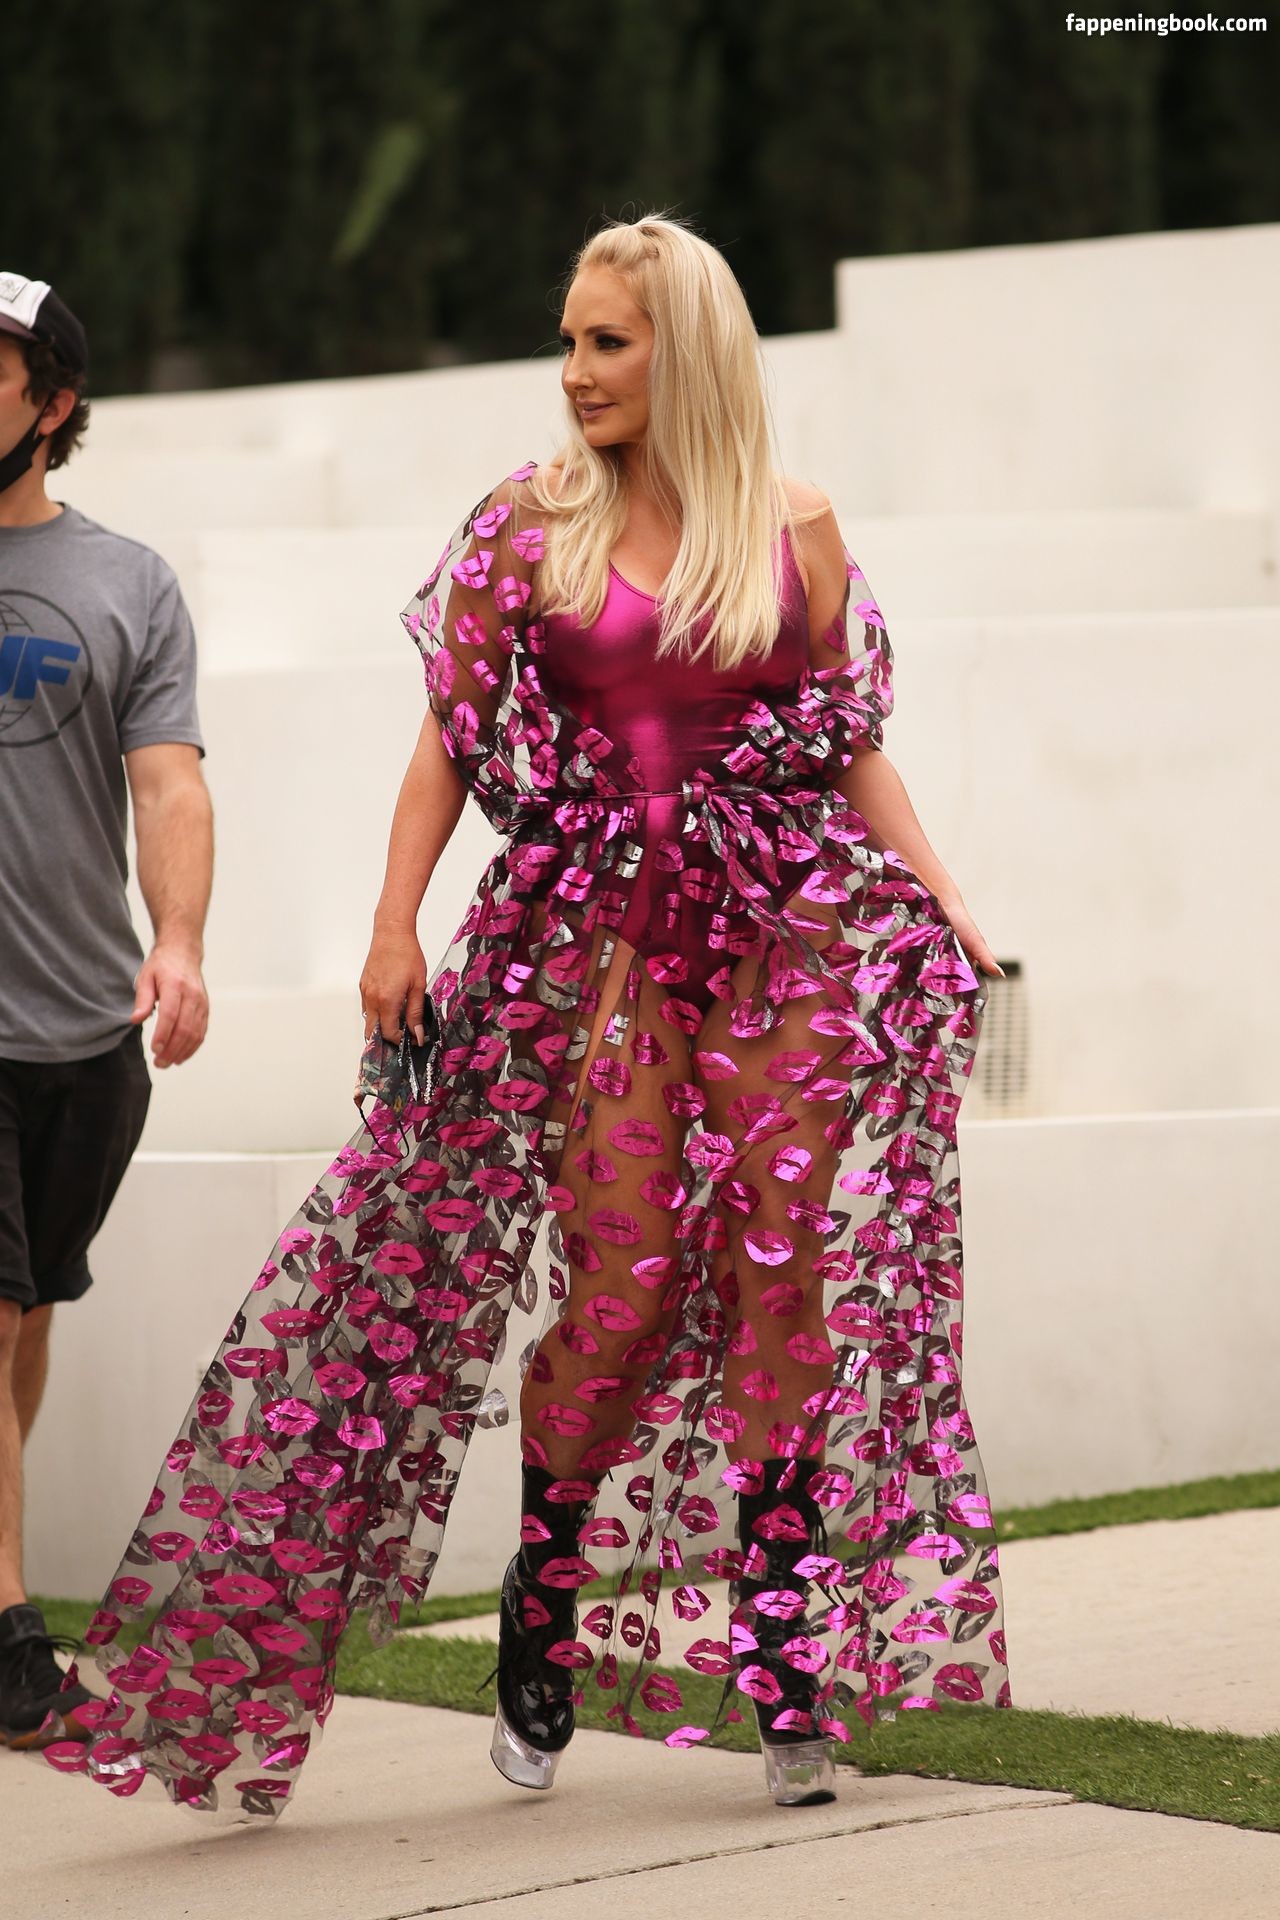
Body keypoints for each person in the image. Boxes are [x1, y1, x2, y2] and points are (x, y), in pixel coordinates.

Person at [46, 212, 1009, 1821]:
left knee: (785, 1279)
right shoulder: (528, 523)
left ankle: (782, 1647)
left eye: (607, 341)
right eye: (569, 340)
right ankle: (545, 1591)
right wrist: (391, 925)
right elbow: (448, 736)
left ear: (688, 350)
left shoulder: (798, 526)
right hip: (591, 951)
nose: (574, 371)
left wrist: (947, 894)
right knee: (619, 1291)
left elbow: (844, 741)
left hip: (780, 943)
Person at [0, 273, 213, 1749]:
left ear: (54, 403)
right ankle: (13, 1633)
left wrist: (179, 942)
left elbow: (170, 781)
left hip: (85, 1032)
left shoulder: (130, 582)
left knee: (24, 1316)